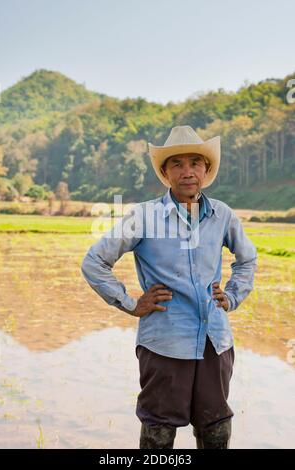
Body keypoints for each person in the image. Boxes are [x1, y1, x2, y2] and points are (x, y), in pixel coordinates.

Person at [81, 125, 258, 449]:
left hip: (214, 342)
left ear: (206, 169)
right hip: (163, 343)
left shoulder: (223, 216)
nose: (187, 171)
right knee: (158, 427)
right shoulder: (144, 216)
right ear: (165, 171)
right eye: (177, 163)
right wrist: (130, 303)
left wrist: (232, 296)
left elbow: (247, 260)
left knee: (216, 424)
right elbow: (94, 261)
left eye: (195, 162)